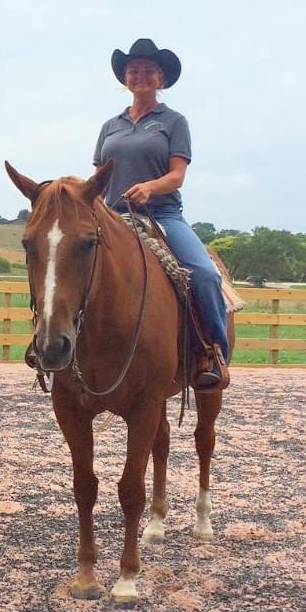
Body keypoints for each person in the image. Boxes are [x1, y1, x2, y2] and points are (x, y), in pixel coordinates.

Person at [94, 38, 229, 389]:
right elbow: (97, 176)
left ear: (161, 79)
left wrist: (150, 188)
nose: (141, 76)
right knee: (69, 263)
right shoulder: (110, 125)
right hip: (112, 214)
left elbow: (177, 175)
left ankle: (211, 353)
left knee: (203, 274)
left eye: (149, 71)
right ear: (125, 78)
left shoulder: (173, 121)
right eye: (134, 70)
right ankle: (53, 347)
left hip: (162, 214)